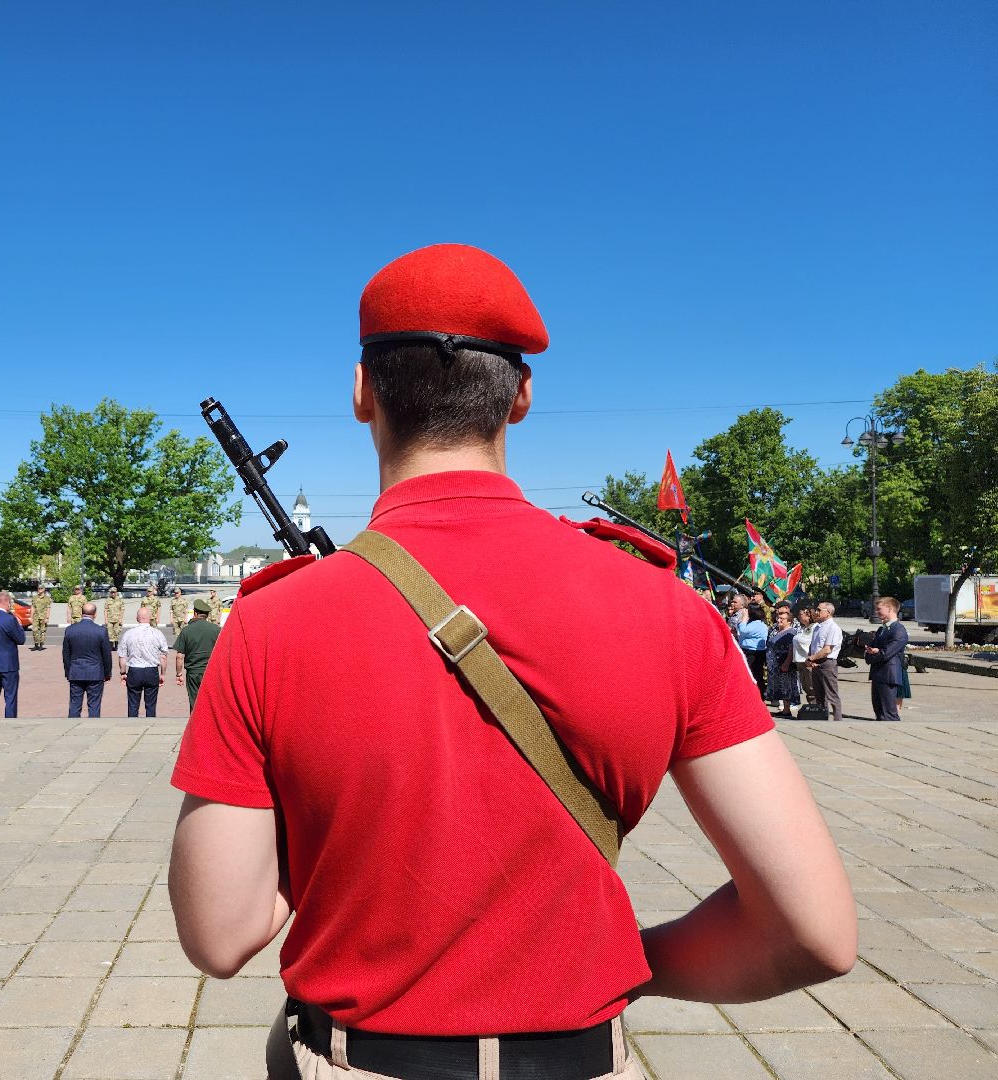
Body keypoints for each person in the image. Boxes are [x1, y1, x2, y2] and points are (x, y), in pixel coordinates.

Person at [168, 244, 854, 1080]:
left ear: (362, 392)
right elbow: (815, 931)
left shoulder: (270, 623)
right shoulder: (668, 609)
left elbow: (220, 934)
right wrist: (624, 966)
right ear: (520, 396)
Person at [117, 604, 168, 717]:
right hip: (151, 671)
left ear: (137, 618)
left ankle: (132, 724)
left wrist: (123, 672)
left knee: (133, 704)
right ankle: (150, 723)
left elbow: (122, 656)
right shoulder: (157, 633)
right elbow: (163, 656)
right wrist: (162, 674)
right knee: (151, 705)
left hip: (134, 671)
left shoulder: (128, 634)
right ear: (150, 618)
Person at [62, 601, 111, 717]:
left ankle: (72, 726)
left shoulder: (70, 630)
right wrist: (107, 673)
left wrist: (68, 672)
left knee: (74, 705)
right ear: (95, 614)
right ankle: (93, 727)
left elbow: (66, 655)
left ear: (81, 613)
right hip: (95, 673)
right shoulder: (101, 631)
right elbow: (106, 655)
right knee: (94, 705)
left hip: (76, 672)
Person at [865, 596, 909, 722]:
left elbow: (886, 653)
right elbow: (870, 652)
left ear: (890, 609)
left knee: (888, 714)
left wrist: (876, 652)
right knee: (879, 711)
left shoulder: (899, 630)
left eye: (879, 609)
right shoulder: (881, 629)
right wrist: (871, 653)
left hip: (889, 676)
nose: (876, 612)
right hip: (878, 674)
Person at [172, 598, 220, 711]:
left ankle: (196, 722)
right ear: (207, 615)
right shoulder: (216, 630)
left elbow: (179, 656)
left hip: (193, 673)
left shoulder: (187, 630)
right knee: (211, 704)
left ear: (195, 613)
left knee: (195, 704)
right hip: (211, 672)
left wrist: (179, 674)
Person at [807, 601, 844, 721]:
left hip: (827, 663)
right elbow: (813, 645)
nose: (816, 612)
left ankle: (838, 719)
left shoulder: (833, 628)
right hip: (816, 662)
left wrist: (812, 658)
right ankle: (822, 717)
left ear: (828, 612)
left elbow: (827, 649)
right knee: (819, 694)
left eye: (819, 610)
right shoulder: (817, 627)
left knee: (832, 694)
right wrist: (811, 658)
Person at [766, 607, 799, 718]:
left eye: (782, 619)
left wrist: (786, 663)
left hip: (784, 664)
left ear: (789, 621)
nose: (779, 620)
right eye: (778, 618)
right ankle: (785, 710)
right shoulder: (776, 631)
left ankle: (787, 710)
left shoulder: (791, 633)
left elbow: (791, 650)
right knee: (780, 687)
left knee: (786, 686)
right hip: (775, 665)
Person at [736, 602, 768, 696]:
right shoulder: (754, 623)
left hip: (753, 652)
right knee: (753, 673)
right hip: (749, 651)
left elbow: (743, 630)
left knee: (754, 673)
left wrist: (744, 618)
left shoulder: (757, 624)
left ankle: (758, 694)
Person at [791, 605, 816, 707]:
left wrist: (797, 638)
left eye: (801, 614)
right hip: (800, 660)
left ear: (808, 615)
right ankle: (811, 705)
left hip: (808, 660)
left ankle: (816, 707)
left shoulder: (815, 627)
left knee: (811, 685)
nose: (799, 617)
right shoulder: (804, 628)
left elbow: (810, 642)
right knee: (805, 685)